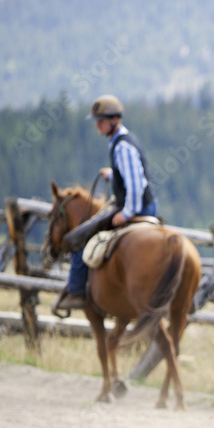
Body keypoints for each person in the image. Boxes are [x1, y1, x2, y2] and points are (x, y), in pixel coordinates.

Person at [52, 94, 160, 313]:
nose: (97, 125)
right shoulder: (124, 140)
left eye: (101, 120)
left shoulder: (121, 147)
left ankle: (76, 292)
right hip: (145, 205)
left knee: (81, 238)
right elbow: (131, 175)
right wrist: (113, 175)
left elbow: (136, 184)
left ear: (114, 120)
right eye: (97, 120)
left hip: (135, 207)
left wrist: (127, 213)